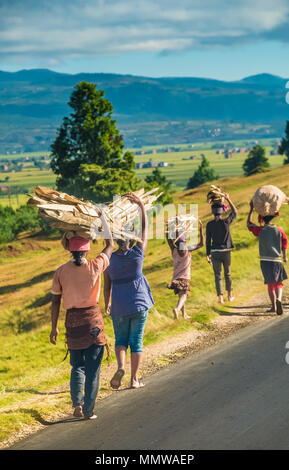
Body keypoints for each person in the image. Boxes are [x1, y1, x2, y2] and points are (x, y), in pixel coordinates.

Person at [50, 209, 114, 420]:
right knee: (93, 370)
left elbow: (56, 301)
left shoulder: (60, 272)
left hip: (72, 324)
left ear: (69, 250)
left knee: (77, 366)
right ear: (86, 250)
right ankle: (88, 410)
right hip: (93, 323)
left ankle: (76, 403)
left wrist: (54, 327)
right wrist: (102, 217)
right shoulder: (95, 266)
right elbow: (110, 245)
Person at [103, 193, 154, 390]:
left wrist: (106, 302)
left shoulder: (110, 259)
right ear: (131, 240)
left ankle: (121, 366)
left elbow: (107, 285)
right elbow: (145, 229)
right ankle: (134, 380)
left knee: (121, 340)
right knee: (137, 341)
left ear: (115, 241)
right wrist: (141, 205)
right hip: (139, 302)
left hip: (119, 304)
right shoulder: (138, 253)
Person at [247, 200, 288, 314]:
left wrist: (251, 209)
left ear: (262, 219)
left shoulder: (261, 230)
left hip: (265, 261)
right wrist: (285, 256)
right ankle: (279, 299)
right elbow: (285, 242)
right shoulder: (279, 230)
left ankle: (274, 307)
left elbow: (249, 224)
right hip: (277, 260)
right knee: (279, 283)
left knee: (270, 284)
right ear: (273, 217)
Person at [166, 220, 204, 319]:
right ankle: (177, 309)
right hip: (184, 277)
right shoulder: (188, 249)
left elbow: (168, 238)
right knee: (184, 295)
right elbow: (201, 244)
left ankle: (184, 314)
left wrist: (170, 227)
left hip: (175, 278)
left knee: (181, 295)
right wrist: (201, 229)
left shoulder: (173, 249)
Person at [206, 193, 237, 303]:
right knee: (227, 273)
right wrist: (228, 198)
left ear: (212, 212)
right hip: (226, 251)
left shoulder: (209, 225)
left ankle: (220, 298)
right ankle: (230, 296)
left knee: (217, 275)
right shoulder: (226, 222)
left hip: (214, 252)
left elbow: (208, 241)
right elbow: (235, 212)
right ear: (222, 211)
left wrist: (207, 254)